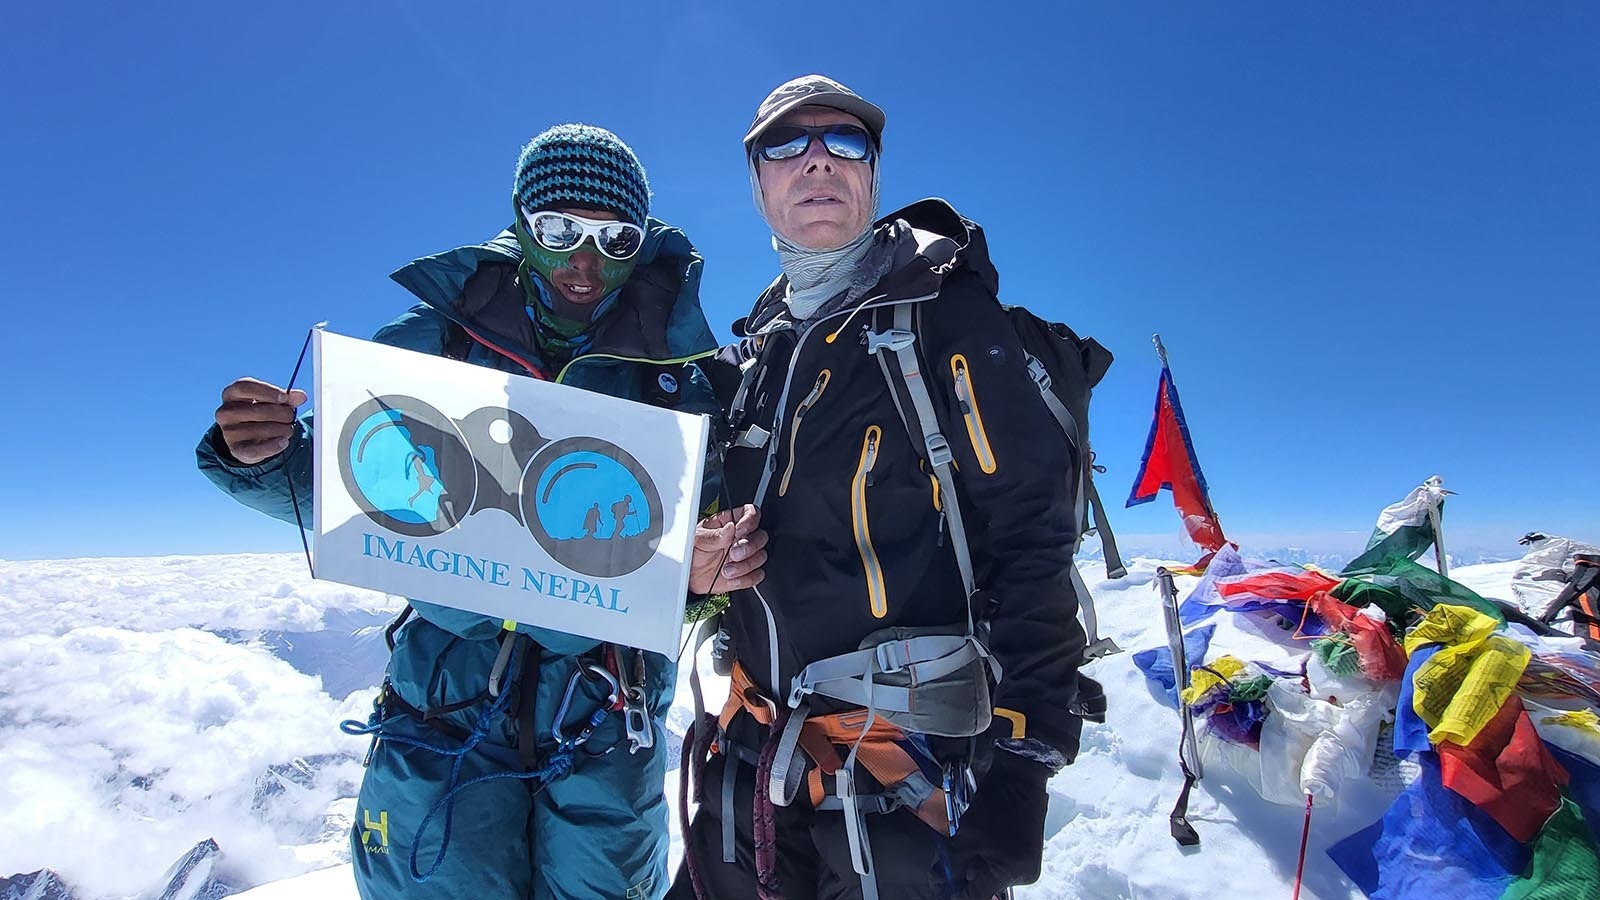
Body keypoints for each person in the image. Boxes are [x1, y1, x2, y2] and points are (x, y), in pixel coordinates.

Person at [198, 124, 767, 900]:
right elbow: (365, 489)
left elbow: (707, 540)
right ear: (522, 226)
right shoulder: (437, 339)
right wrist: (259, 456)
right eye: (559, 229)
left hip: (604, 697)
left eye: (615, 237)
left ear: (640, 242)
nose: (584, 260)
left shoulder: (688, 376)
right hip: (447, 694)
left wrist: (705, 572)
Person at [671, 76, 1094, 900]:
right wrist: (694, 576)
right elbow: (661, 530)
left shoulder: (942, 320)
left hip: (905, 781)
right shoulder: (753, 359)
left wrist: (1025, 763)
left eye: (846, 142)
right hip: (755, 761)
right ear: (758, 181)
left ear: (873, 175)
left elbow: (1032, 540)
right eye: (788, 146)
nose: (818, 162)